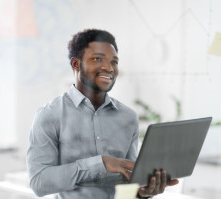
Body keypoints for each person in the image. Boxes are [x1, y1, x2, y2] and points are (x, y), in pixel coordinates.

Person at [27, 29, 179, 199]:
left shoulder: (127, 117)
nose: (109, 67)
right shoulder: (49, 115)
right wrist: (101, 163)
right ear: (76, 64)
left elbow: (127, 181)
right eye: (97, 59)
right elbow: (39, 182)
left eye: (114, 61)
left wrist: (141, 192)